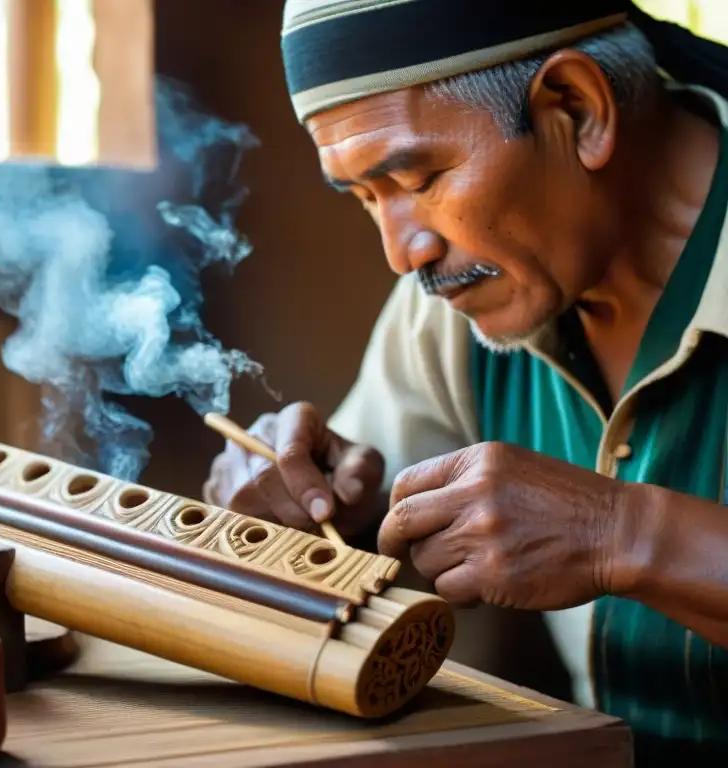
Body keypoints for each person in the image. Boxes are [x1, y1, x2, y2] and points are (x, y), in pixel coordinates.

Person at [202, 1, 728, 764]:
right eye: (363, 197)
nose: (401, 250)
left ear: (576, 110)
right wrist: (305, 500)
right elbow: (355, 493)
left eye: (418, 178)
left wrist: (619, 533)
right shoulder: (468, 300)